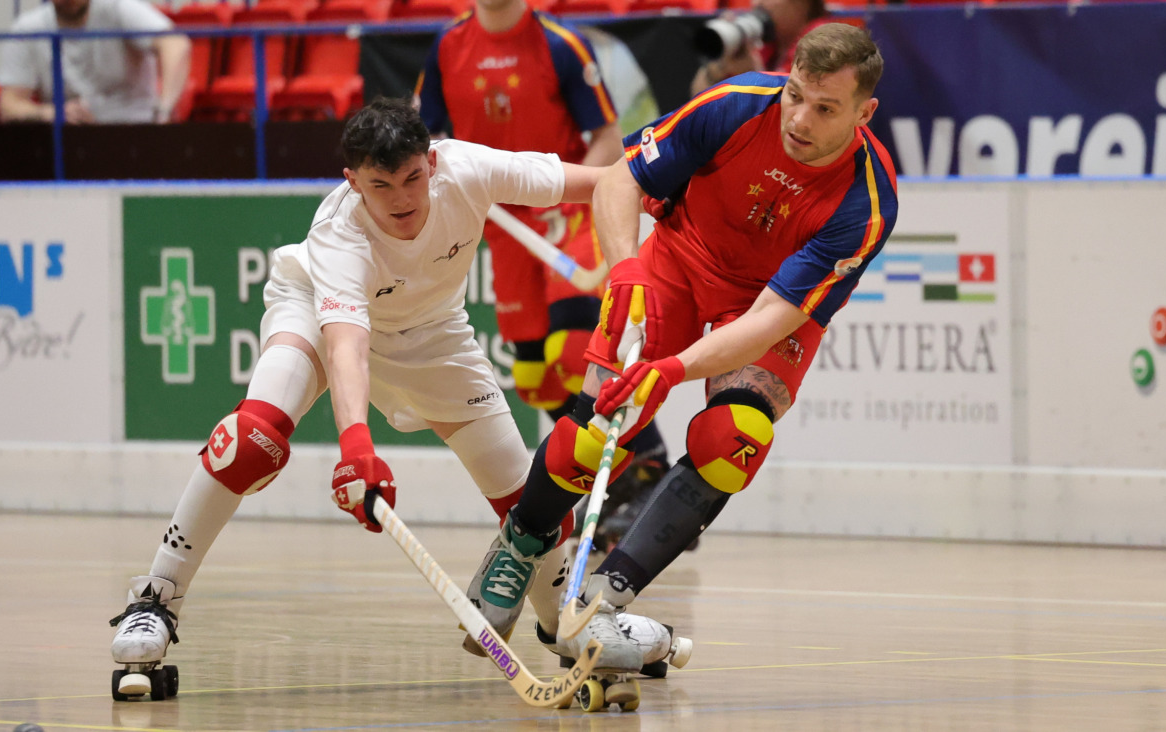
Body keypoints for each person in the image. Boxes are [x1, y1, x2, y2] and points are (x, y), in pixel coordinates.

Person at [107, 98, 674, 701]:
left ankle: (570, 619)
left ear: (431, 161)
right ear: (352, 183)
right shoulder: (339, 235)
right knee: (254, 438)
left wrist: (666, 191)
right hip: (314, 310)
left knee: (532, 498)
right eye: (381, 185)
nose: (403, 199)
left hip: (435, 334)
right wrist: (356, 445)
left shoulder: (467, 168)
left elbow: (605, 180)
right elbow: (346, 345)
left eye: (412, 178)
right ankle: (155, 599)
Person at [467, 23, 899, 673]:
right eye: (796, 96)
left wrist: (672, 370)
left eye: (826, 108)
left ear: (865, 113)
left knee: (734, 441)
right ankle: (520, 544)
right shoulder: (735, 104)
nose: (800, 120)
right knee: (598, 423)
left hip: (763, 308)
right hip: (675, 262)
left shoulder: (867, 202)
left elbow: (772, 317)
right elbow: (619, 181)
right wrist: (625, 267)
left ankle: (604, 601)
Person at [415, 0, 672, 551]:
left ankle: (648, 461)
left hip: (565, 213)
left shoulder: (560, 46)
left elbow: (606, 135)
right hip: (503, 227)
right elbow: (425, 138)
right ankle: (610, 465)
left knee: (574, 346)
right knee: (533, 376)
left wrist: (592, 189)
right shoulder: (447, 49)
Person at [0, 0, 190, 124]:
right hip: (67, 142)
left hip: (137, 134)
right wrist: (50, 113)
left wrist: (165, 110)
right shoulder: (27, 28)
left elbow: (176, 44)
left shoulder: (118, 7)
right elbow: (8, 105)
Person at [690, 0, 849, 96]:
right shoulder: (765, 41)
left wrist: (753, 74)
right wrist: (719, 64)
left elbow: (798, 116)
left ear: (803, 4)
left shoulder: (827, 43)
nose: (758, 3)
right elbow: (697, 97)